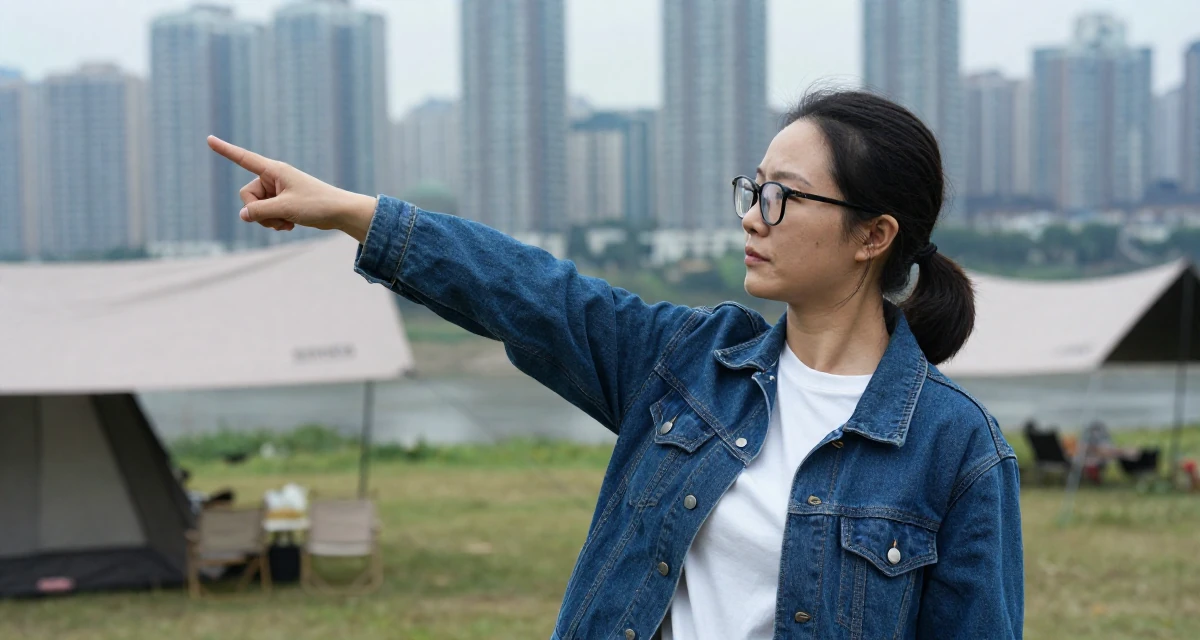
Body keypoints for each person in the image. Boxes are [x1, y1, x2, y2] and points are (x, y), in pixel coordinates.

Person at [207, 89, 1023, 639]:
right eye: (753, 187)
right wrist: (356, 214)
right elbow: (531, 293)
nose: (752, 215)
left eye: (782, 195)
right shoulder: (687, 365)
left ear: (872, 236)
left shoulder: (956, 449)